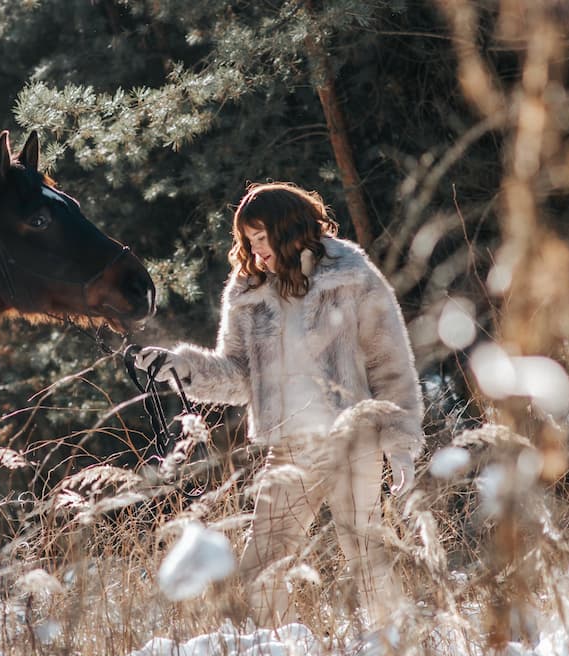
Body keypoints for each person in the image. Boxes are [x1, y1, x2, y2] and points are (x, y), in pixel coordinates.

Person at [136, 182, 424, 629]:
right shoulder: (248, 290)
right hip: (289, 448)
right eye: (247, 242)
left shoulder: (350, 274)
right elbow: (236, 372)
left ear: (286, 228)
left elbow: (391, 365)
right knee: (260, 568)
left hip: (353, 440)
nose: (254, 251)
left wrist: (400, 442)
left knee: (365, 556)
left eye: (260, 238)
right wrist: (180, 366)